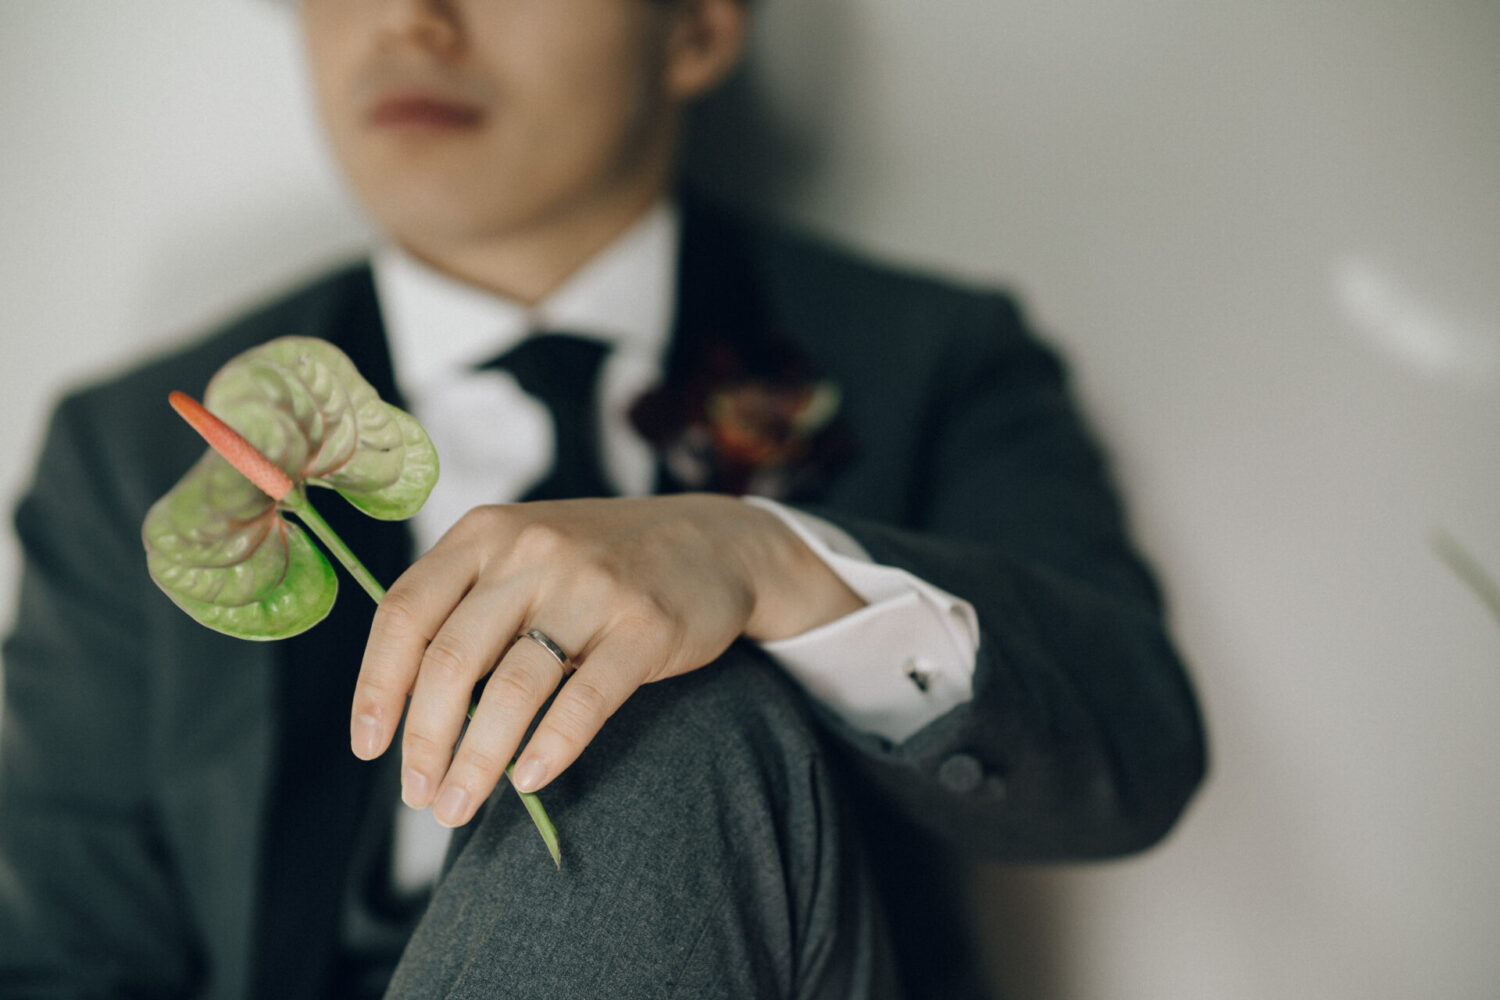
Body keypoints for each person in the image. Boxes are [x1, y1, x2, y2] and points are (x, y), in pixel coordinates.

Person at [0, 1, 1206, 997]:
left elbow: (1135, 756)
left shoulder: (926, 356)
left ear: (695, 29)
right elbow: (64, 954)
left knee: (664, 705)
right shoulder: (128, 451)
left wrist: (770, 564)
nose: (412, 22)